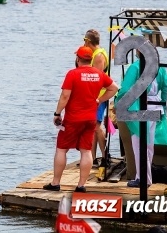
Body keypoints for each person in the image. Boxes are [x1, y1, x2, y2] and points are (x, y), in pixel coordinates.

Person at [44, 46, 118, 192]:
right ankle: (81, 185)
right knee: (86, 151)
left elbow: (65, 96)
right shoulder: (99, 74)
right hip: (90, 118)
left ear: (77, 59)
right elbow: (114, 88)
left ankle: (55, 183)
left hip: (73, 119)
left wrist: (57, 113)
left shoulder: (72, 74)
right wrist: (99, 99)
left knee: (61, 149)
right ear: (90, 60)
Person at [115, 57, 167, 188]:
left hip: (140, 107)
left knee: (139, 145)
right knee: (149, 146)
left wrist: (118, 103)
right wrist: (163, 105)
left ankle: (143, 178)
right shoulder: (160, 67)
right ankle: (146, 177)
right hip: (156, 107)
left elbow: (125, 89)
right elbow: (166, 87)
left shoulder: (135, 67)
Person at [84, 29, 109, 166]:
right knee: (93, 127)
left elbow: (97, 79)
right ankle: (92, 158)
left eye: (85, 41)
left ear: (88, 41)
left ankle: (105, 157)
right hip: (95, 96)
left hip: (99, 96)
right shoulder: (96, 54)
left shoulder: (99, 56)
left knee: (97, 126)